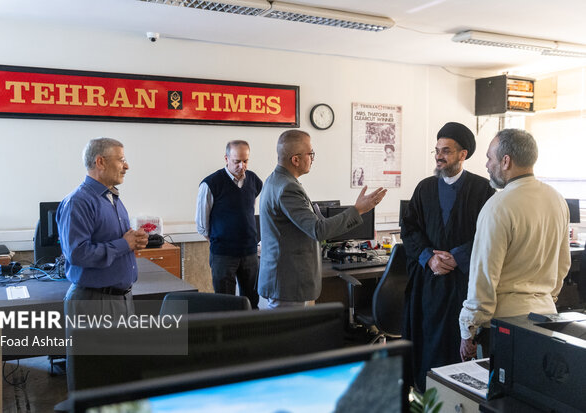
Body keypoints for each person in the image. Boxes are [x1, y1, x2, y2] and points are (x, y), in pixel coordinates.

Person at [459, 129, 571, 361]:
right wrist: (546, 299)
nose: (488, 165)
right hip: (546, 318)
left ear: (506, 161)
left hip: (506, 325)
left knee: (500, 395)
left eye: (490, 158)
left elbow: (484, 277)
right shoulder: (557, 200)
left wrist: (467, 328)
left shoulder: (497, 206)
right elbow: (562, 264)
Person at [401, 122, 495, 391]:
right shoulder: (424, 188)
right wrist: (428, 257)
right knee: (427, 339)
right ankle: (425, 392)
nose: (439, 156)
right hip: (429, 283)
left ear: (463, 154)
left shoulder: (483, 189)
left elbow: (488, 233)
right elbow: (410, 228)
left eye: (446, 151)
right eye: (437, 150)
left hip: (462, 286)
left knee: (458, 342)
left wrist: (457, 257)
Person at [258, 130, 387, 308]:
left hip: (285, 280)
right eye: (310, 154)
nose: (312, 158)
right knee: (293, 335)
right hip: (289, 284)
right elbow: (318, 230)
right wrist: (358, 210)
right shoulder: (288, 188)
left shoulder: (276, 180)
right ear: (295, 159)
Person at [57, 137, 148, 391]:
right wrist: (124, 245)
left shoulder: (113, 199)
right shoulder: (79, 201)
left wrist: (133, 242)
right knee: (94, 380)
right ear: (100, 161)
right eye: (121, 160)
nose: (126, 166)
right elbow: (78, 254)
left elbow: (118, 243)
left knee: (118, 376)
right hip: (94, 302)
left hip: (121, 300)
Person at [196, 140, 262, 308]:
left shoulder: (254, 180)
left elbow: (248, 208)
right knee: (225, 304)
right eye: (236, 161)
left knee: (251, 302)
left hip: (250, 252)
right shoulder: (211, 184)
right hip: (223, 254)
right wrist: (219, 242)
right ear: (226, 158)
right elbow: (202, 225)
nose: (242, 166)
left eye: (245, 161)